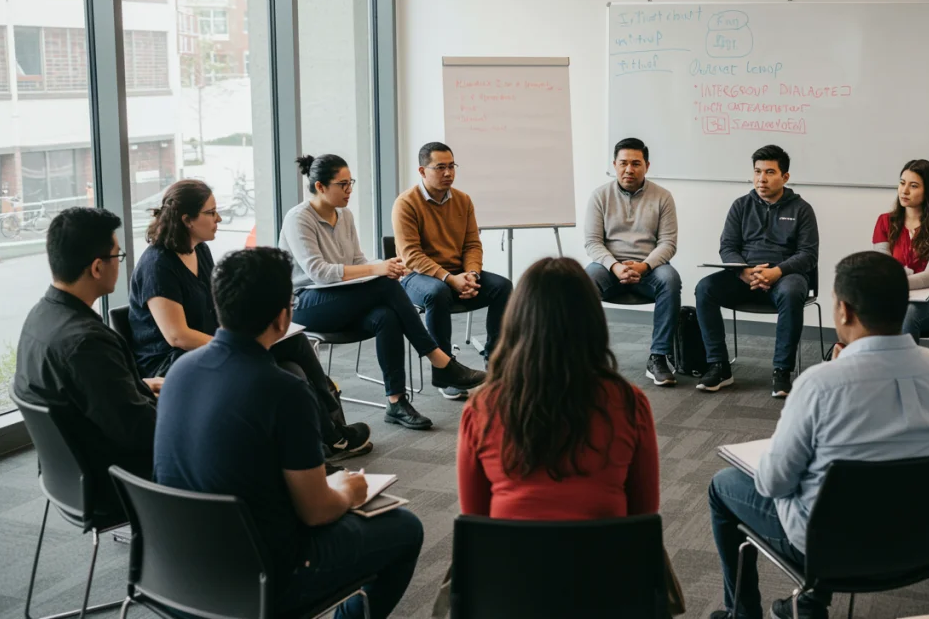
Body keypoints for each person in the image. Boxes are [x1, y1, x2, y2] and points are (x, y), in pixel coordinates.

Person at [154, 247, 424, 619]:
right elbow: (316, 512)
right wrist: (346, 492)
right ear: (284, 318)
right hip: (264, 577)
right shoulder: (284, 390)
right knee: (405, 528)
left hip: (177, 570)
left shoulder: (178, 374)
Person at [707, 251, 929, 619]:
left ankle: (742, 614)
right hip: (924, 543)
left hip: (832, 549)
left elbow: (773, 483)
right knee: (851, 477)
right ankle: (807, 603)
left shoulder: (820, 383)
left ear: (844, 311)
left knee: (724, 485)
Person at [127, 179, 371, 460]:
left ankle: (330, 430)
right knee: (288, 373)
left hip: (213, 344)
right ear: (187, 220)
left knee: (295, 344)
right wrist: (240, 346)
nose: (219, 218)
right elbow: (177, 336)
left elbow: (219, 306)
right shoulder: (158, 265)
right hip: (173, 360)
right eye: (211, 212)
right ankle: (321, 443)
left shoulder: (199, 251)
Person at [279, 154, 485, 431]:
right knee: (386, 285)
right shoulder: (299, 218)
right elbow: (319, 273)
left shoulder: (345, 214)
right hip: (305, 303)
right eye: (343, 185)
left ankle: (396, 402)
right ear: (320, 187)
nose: (349, 191)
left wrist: (385, 266)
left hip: (341, 300)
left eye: (350, 183)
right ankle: (439, 360)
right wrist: (378, 272)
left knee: (385, 315)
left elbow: (357, 261)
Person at [457, 257, 659, 519]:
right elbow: (644, 517)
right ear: (592, 322)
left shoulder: (482, 408)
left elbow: (475, 524)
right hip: (607, 559)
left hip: (510, 559)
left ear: (516, 322)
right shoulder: (629, 403)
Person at [14, 207, 158, 518]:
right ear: (96, 267)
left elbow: (83, 394)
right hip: (116, 480)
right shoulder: (86, 343)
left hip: (67, 477)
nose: (121, 265)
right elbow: (141, 433)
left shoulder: (41, 316)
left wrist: (140, 386)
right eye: (117, 257)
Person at [694, 145, 820, 398]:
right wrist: (744, 271)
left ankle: (782, 371)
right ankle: (718, 365)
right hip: (745, 275)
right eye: (757, 172)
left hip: (785, 277)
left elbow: (808, 255)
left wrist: (777, 272)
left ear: (785, 177)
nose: (761, 179)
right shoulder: (741, 205)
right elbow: (728, 246)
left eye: (770, 172)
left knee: (794, 290)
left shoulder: (801, 209)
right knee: (704, 288)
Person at [393, 141, 514, 399]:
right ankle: (445, 370)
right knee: (437, 292)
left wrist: (471, 274)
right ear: (422, 171)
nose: (448, 173)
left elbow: (472, 244)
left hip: (458, 273)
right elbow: (411, 256)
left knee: (503, 287)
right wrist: (450, 279)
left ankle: (495, 361)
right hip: (418, 277)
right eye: (440, 168)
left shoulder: (463, 200)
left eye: (451, 166)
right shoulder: (406, 203)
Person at [584, 137, 682, 386]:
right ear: (614, 164)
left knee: (670, 279)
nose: (629, 169)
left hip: (649, 268)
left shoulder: (663, 197)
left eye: (636, 163)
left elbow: (668, 244)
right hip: (609, 266)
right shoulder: (599, 196)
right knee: (585, 279)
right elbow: (593, 243)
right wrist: (615, 266)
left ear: (646, 166)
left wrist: (644, 266)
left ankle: (658, 356)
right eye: (624, 163)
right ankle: (590, 357)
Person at [872, 159, 929, 337]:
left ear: (928, 191)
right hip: (896, 294)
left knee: (907, 313)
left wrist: (895, 283)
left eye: (913, 186)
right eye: (902, 183)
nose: (904, 191)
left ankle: (906, 364)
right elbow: (884, 269)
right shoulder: (885, 221)